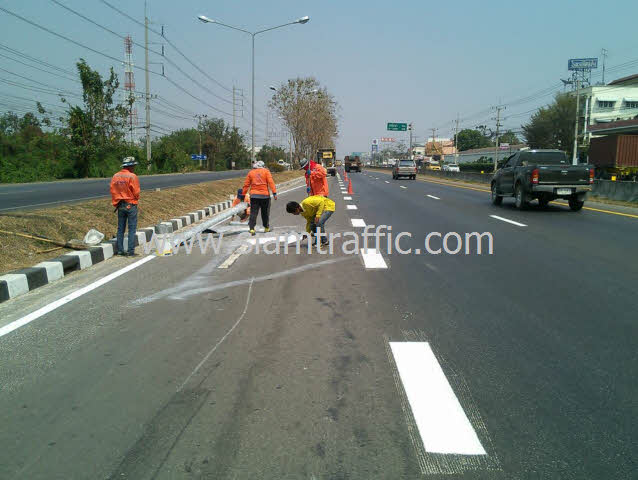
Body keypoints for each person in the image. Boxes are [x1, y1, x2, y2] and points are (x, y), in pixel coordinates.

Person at [110, 156, 141, 256]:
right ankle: (131, 252)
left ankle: (120, 250)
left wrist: (117, 201)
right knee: (132, 229)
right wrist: (134, 199)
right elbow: (136, 192)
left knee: (120, 229)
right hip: (131, 204)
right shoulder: (132, 176)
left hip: (120, 205)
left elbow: (113, 191)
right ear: (131, 166)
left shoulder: (115, 176)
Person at [242, 160, 277, 235]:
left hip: (254, 196)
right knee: (265, 213)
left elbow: (246, 185)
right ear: (263, 166)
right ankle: (266, 228)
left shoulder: (251, 172)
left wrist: (243, 194)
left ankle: (251, 229)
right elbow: (271, 182)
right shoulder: (266, 171)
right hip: (265, 196)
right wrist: (274, 193)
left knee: (253, 212)